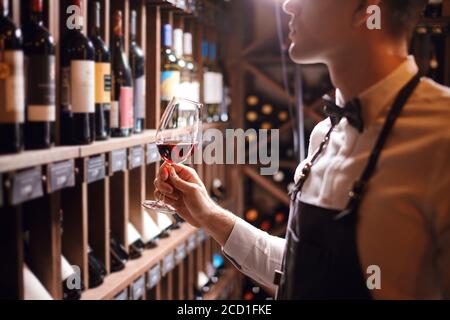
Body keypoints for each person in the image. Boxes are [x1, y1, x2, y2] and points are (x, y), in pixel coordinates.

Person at [154, 0, 450, 299]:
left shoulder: (441, 134)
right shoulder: (324, 133)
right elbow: (300, 270)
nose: (287, 6)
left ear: (365, 10)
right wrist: (209, 216)